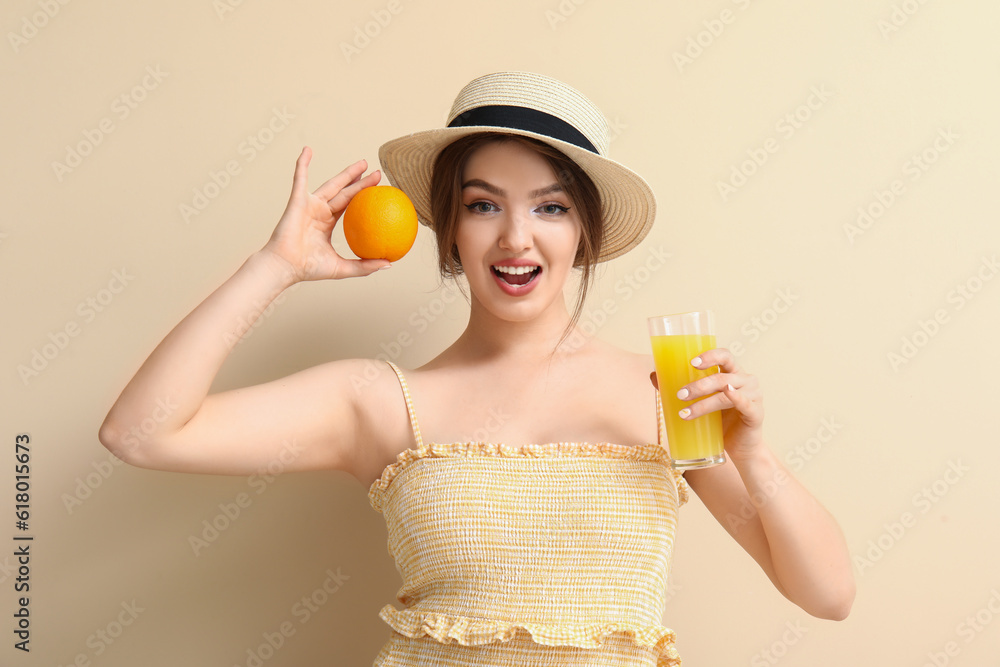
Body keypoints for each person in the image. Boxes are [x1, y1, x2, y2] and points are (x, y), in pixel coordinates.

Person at [99, 71, 854, 666]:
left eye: (551, 208)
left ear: (585, 233)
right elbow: (140, 433)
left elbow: (828, 593)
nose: (516, 238)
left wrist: (752, 452)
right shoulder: (380, 402)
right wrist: (273, 267)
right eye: (484, 205)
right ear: (449, 227)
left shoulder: (667, 391)